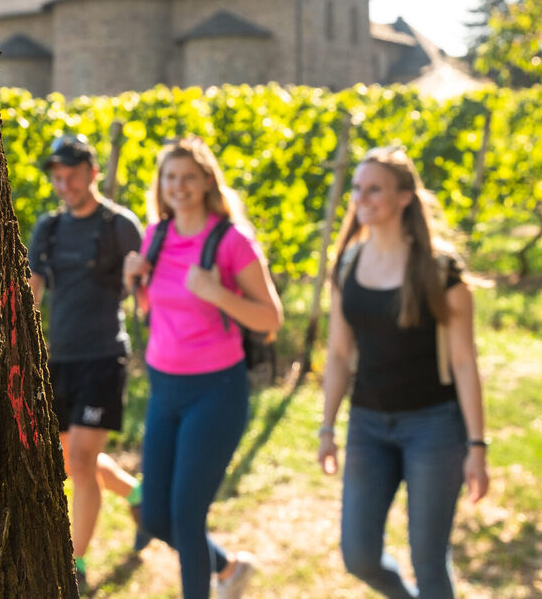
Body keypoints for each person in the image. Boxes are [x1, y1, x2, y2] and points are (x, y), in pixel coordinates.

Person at [317, 144, 490, 599]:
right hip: (368, 425)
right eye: (357, 188)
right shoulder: (348, 264)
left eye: (374, 189)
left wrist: (477, 445)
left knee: (429, 561)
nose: (362, 198)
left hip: (434, 427)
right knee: (359, 555)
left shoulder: (439, 270)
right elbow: (339, 354)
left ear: (404, 197)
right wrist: (327, 427)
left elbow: (464, 362)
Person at [122, 136, 283, 599]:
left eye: (189, 177)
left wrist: (218, 294)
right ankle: (230, 569)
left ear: (208, 181)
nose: (179, 186)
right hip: (164, 389)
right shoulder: (155, 237)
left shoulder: (231, 240)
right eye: (170, 177)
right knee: (156, 517)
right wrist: (134, 281)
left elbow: (270, 319)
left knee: (187, 517)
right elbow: (153, 308)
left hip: (215, 392)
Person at [27, 134, 144, 595]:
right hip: (59, 359)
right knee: (72, 459)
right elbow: (34, 287)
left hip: (103, 356)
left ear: (93, 172)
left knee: (79, 458)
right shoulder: (49, 228)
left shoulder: (120, 225)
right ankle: (137, 493)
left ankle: (74, 562)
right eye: (57, 178)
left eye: (72, 175)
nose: (64, 185)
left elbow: (142, 286)